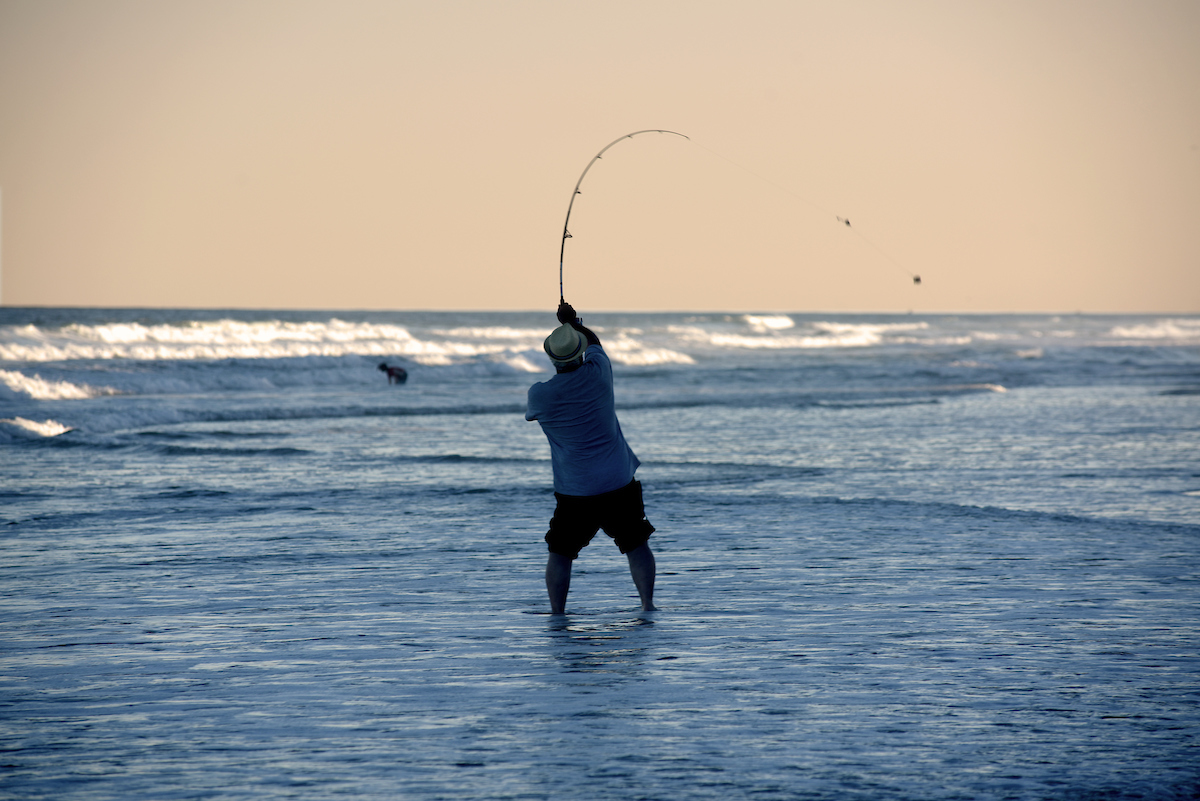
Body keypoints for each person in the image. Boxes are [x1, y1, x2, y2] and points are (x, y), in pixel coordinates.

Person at [525, 301, 657, 614]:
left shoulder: (540, 395)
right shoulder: (599, 374)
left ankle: (558, 614)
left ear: (551, 357)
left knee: (560, 553)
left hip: (575, 488)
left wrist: (568, 327)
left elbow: (534, 415)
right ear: (580, 351)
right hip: (617, 480)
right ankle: (648, 606)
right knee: (636, 545)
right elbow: (596, 344)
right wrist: (575, 324)